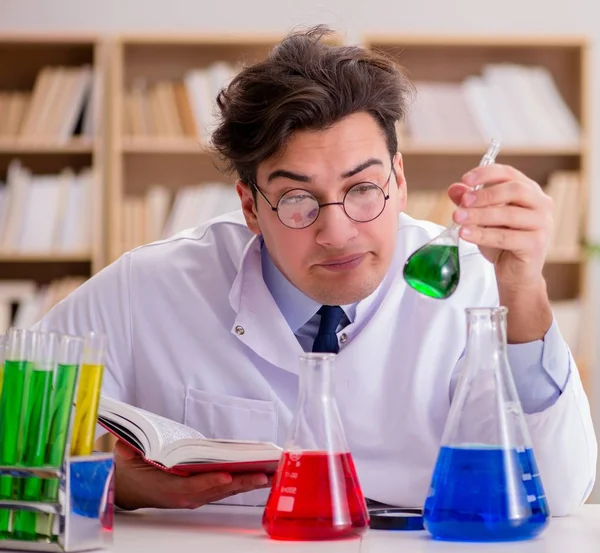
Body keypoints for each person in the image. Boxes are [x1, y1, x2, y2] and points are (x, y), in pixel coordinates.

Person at [34, 25, 596, 514]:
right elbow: (17, 440)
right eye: (297, 200)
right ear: (251, 206)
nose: (337, 231)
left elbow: (562, 487)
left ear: (399, 180)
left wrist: (524, 291)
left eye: (363, 189)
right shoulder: (149, 286)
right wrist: (111, 484)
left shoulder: (471, 280)